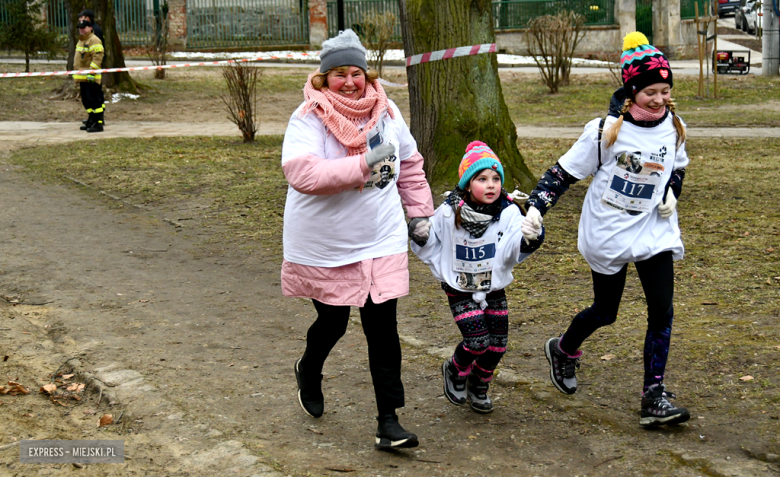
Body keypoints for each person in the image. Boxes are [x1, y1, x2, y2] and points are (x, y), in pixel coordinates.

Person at [522, 32, 690, 427]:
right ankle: (563, 349)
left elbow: (677, 165)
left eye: (665, 90)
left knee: (662, 311)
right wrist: (536, 208)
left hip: (653, 230)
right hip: (609, 233)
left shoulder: (675, 127)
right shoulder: (604, 132)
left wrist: (672, 191)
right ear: (631, 92)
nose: (660, 99)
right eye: (651, 91)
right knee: (606, 312)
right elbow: (561, 174)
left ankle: (654, 395)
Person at [281, 29, 434, 449]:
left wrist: (420, 214)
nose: (349, 82)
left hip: (380, 237)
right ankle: (309, 368)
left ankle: (389, 421)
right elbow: (303, 174)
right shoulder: (308, 117)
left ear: (367, 74)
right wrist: (364, 164)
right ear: (322, 78)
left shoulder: (386, 111)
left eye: (356, 73)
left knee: (383, 329)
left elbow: (410, 162)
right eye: (338, 74)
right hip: (325, 242)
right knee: (333, 322)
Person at [411, 141, 545, 414]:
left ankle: (479, 383)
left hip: (492, 288)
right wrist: (420, 233)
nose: (491, 184)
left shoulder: (508, 213)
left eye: (496, 179)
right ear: (467, 183)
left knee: (497, 346)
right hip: (459, 287)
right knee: (477, 341)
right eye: (482, 179)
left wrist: (530, 237)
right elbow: (431, 243)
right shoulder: (449, 212)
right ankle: (455, 368)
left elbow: (512, 247)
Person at [73, 19, 104, 133]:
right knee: (86, 100)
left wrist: (92, 71)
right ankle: (91, 119)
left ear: (90, 28)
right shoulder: (81, 40)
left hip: (91, 76)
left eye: (84, 28)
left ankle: (98, 122)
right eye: (80, 28)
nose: (82, 30)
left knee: (94, 100)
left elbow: (97, 57)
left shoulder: (94, 40)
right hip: (82, 76)